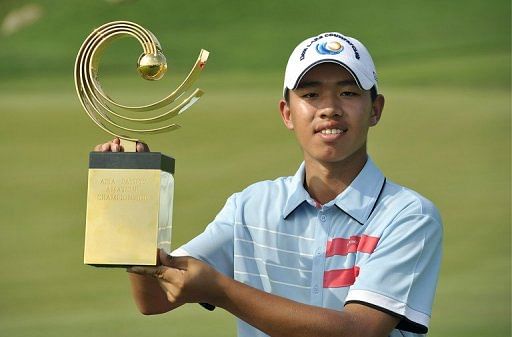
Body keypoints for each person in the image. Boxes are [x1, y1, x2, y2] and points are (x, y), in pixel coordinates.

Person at [96, 32, 443, 337]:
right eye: (310, 94)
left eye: (349, 92)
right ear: (287, 113)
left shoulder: (408, 216)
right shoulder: (249, 207)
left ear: (375, 110)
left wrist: (221, 291)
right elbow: (156, 299)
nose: (329, 109)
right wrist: (133, 213)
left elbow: (360, 331)